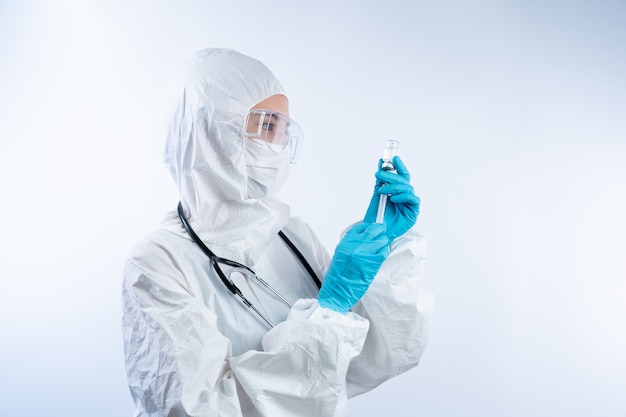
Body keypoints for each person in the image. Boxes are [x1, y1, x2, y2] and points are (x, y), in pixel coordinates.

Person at [121, 47, 433, 417]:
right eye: (267, 126)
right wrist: (328, 309)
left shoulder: (290, 235)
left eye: (284, 131)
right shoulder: (158, 263)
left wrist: (383, 252)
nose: (278, 146)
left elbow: (375, 360)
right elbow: (194, 409)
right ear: (210, 130)